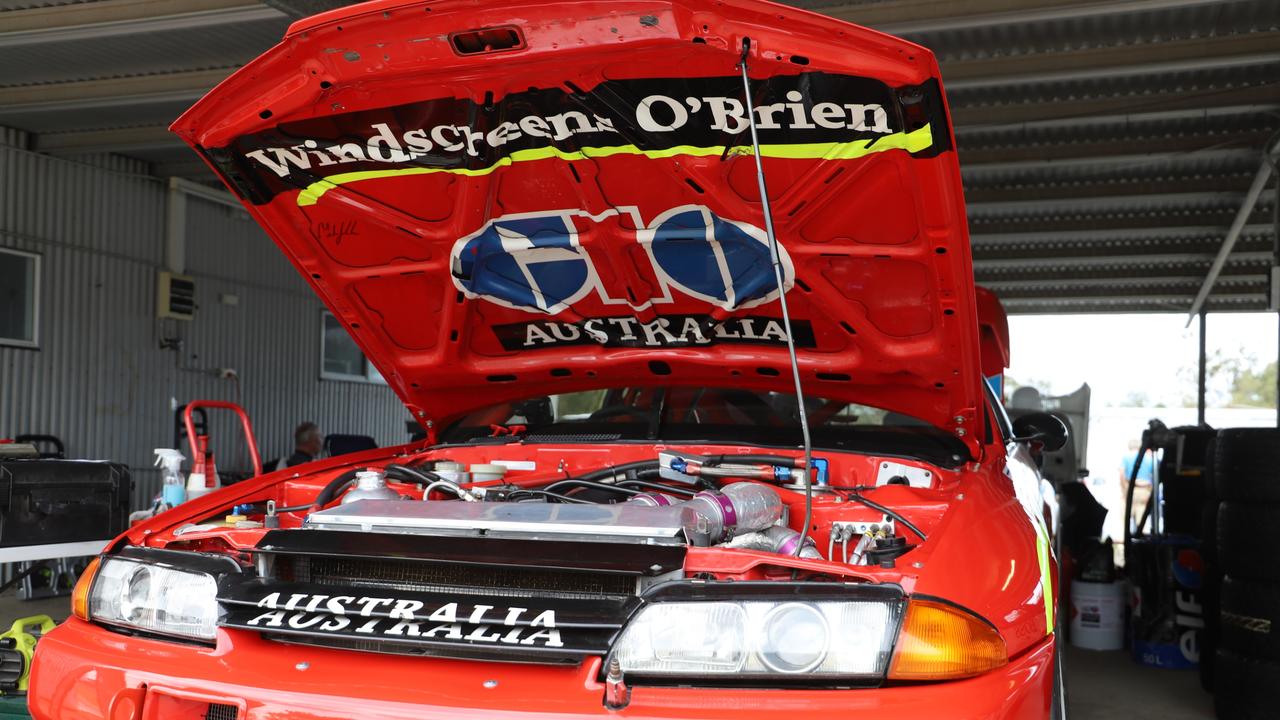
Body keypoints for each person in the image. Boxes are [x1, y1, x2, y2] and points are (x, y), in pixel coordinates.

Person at [1120, 437, 1155, 531]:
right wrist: (1150, 490)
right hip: (1144, 491)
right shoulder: (1148, 459)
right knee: (1141, 519)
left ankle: (1125, 542)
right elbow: (1153, 476)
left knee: (1125, 519)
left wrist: (1124, 490)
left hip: (1130, 488)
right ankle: (1141, 541)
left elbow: (1122, 474)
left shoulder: (1125, 457)